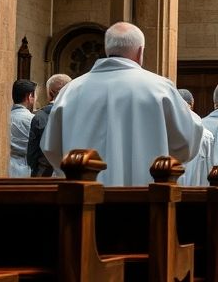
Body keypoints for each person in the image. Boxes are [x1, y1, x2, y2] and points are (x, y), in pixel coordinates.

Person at [41, 22, 204, 186]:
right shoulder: (160, 89)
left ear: (107, 49)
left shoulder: (71, 91)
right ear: (140, 51)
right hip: (143, 194)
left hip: (84, 196)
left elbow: (51, 148)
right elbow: (186, 142)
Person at [26, 74, 70, 177]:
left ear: (50, 93)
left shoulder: (40, 116)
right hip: (71, 174)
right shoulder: (78, 113)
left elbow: (32, 154)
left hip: (44, 175)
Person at [177, 89, 215, 186]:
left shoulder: (164, 128)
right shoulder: (206, 136)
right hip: (197, 192)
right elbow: (209, 169)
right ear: (192, 104)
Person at [9, 79, 36, 177]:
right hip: (26, 170)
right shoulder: (33, 120)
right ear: (29, 97)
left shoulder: (4, 118)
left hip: (6, 167)